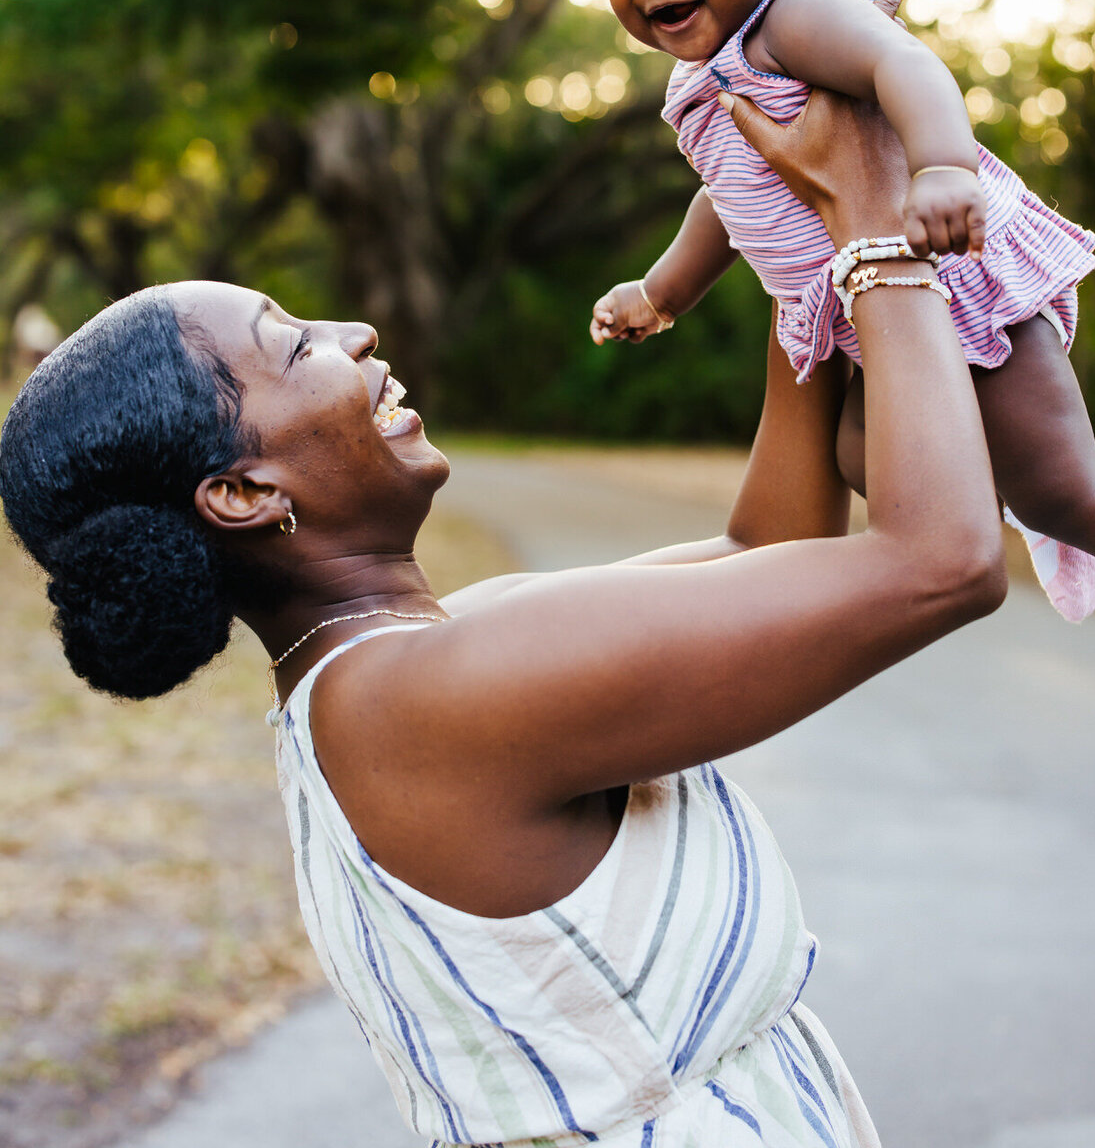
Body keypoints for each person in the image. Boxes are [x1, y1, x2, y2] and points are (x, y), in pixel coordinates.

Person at [0, 84, 1006, 1148]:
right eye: (297, 346)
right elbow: (942, 561)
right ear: (245, 494)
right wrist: (865, 204)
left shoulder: (408, 664)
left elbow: (770, 550)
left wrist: (786, 236)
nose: (356, 331)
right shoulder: (426, 700)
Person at [587, 0, 1095, 623]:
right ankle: (965, 510)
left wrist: (943, 167)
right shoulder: (711, 76)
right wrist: (660, 293)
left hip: (954, 271)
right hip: (882, 318)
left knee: (1067, 491)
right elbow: (726, 201)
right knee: (856, 453)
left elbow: (900, 63)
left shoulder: (792, 16)